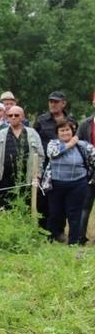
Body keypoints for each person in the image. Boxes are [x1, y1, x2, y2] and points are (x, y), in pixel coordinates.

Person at [43, 120, 94, 245]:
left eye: (67, 130)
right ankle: (51, 238)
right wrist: (70, 144)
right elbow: (52, 154)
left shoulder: (84, 146)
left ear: (73, 131)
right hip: (55, 184)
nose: (65, 133)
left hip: (77, 185)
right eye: (62, 130)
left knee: (74, 214)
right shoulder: (53, 144)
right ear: (57, 133)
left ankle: (73, 242)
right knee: (55, 213)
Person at [33, 91, 77, 232]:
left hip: (66, 165)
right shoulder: (41, 120)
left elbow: (75, 140)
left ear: (63, 103)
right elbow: (35, 139)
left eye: (56, 102)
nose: (52, 104)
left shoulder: (71, 120)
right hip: (46, 164)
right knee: (43, 199)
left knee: (62, 200)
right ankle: (42, 230)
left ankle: (58, 231)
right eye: (51, 101)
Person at [0, 106, 43, 213]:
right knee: (6, 208)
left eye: (16, 115)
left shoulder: (32, 133)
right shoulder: (1, 134)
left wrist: (37, 175)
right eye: (10, 115)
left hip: (26, 178)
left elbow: (40, 155)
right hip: (4, 179)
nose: (13, 117)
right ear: (7, 118)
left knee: (25, 208)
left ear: (22, 117)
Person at [76, 93, 95, 243]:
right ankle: (80, 236)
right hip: (88, 169)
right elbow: (78, 144)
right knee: (85, 204)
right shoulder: (85, 124)